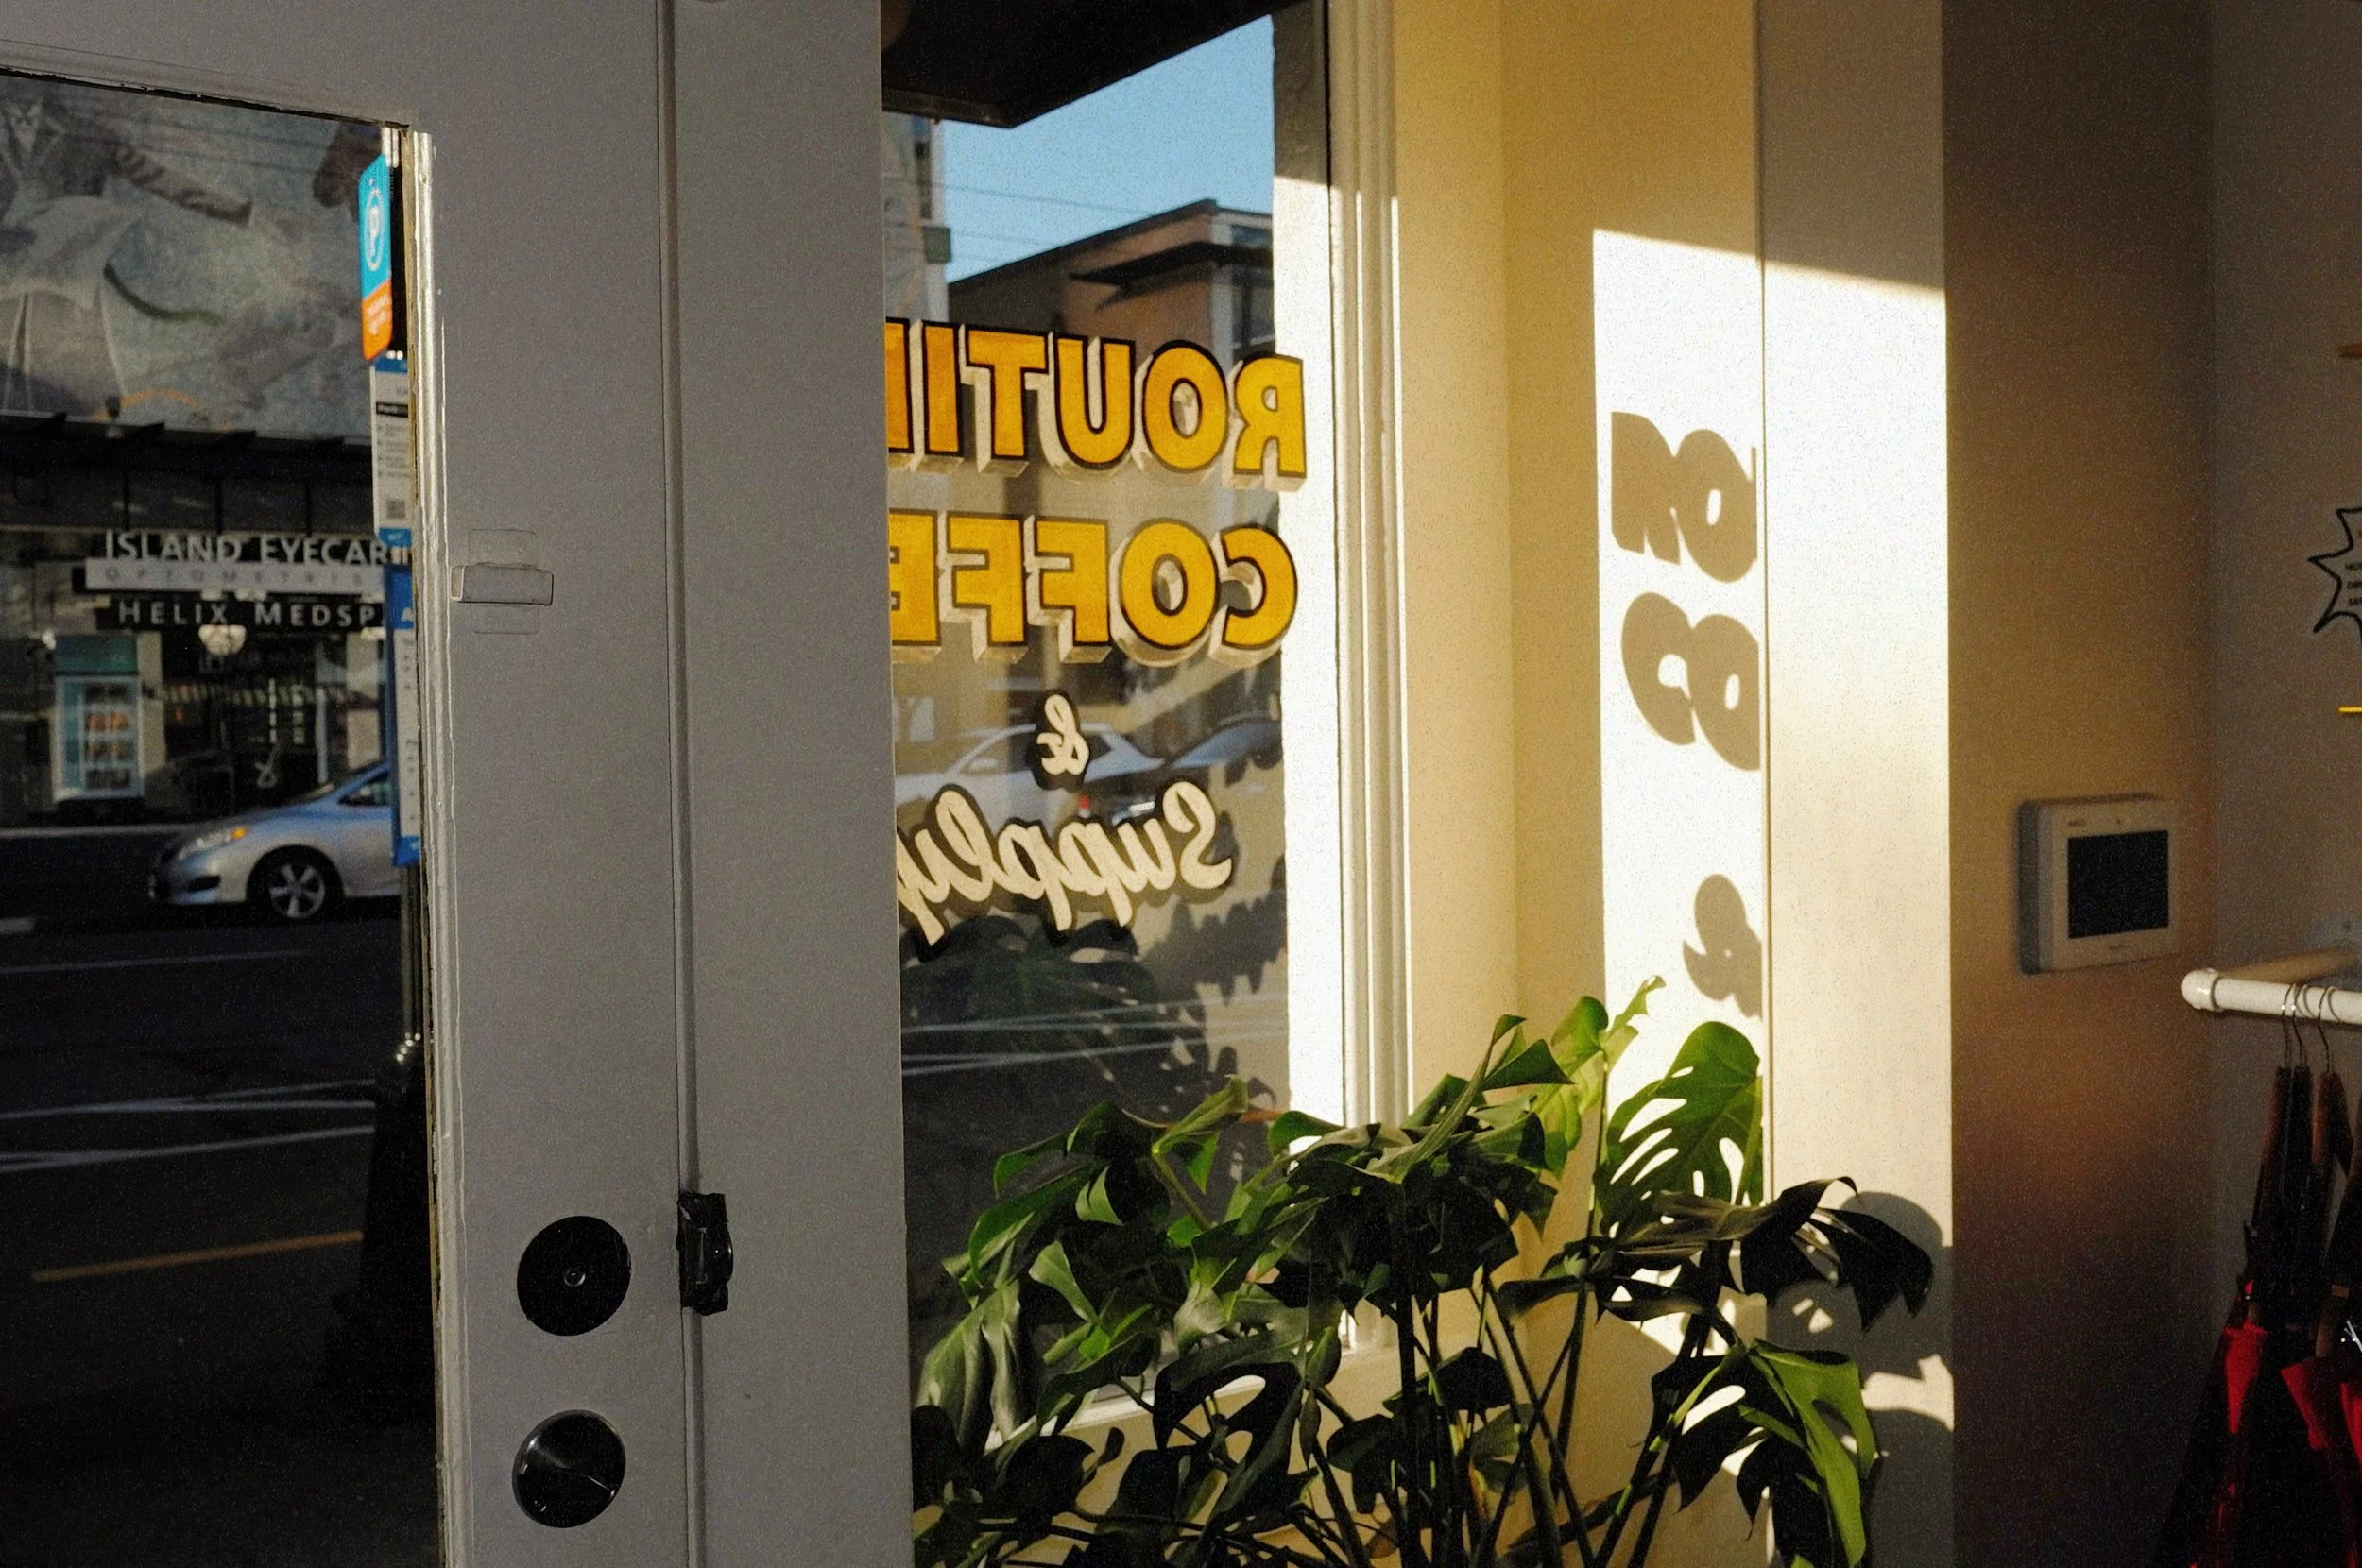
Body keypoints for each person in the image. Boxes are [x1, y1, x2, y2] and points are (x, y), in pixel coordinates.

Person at [0, 74, 300, 416]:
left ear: (48, 84)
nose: (19, 87)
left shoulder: (85, 135)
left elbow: (164, 179)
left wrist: (246, 213)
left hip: (66, 291)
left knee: (79, 401)